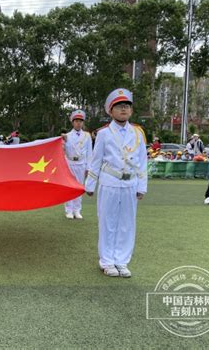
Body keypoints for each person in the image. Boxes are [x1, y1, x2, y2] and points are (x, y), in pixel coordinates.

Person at [85, 88, 147, 278]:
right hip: (109, 182)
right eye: (119, 106)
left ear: (131, 110)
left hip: (130, 183)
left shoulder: (137, 133)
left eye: (127, 106)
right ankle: (107, 261)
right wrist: (89, 184)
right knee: (107, 222)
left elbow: (142, 161)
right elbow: (96, 160)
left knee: (127, 223)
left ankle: (122, 261)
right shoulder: (104, 133)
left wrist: (142, 185)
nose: (123, 109)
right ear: (110, 111)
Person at [62, 109, 93, 219]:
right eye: (76, 121)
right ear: (72, 122)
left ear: (83, 122)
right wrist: (63, 141)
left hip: (81, 164)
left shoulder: (87, 136)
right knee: (69, 187)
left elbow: (89, 152)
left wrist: (88, 168)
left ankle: (77, 210)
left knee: (79, 188)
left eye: (80, 121)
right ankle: (69, 210)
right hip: (70, 163)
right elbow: (63, 150)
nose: (78, 123)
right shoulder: (67, 136)